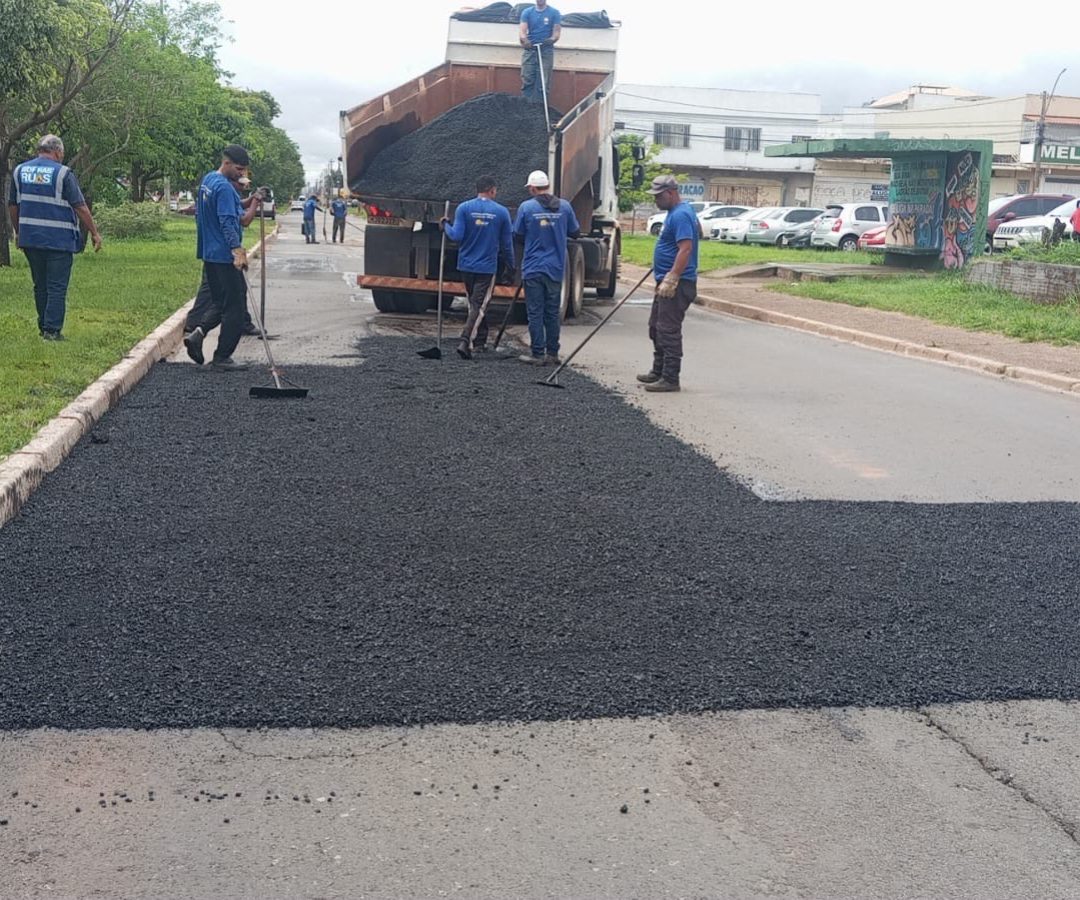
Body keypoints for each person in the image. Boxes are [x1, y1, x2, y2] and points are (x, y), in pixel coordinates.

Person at [7, 134, 102, 340]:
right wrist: (94, 232)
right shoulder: (63, 173)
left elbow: (13, 205)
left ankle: (43, 326)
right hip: (58, 239)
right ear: (57, 152)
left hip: (31, 238)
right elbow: (80, 206)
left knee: (40, 284)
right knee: (56, 286)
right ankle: (52, 330)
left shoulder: (20, 171)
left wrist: (18, 231)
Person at [183, 144, 262, 370]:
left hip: (209, 254)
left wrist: (252, 199)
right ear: (226, 163)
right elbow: (231, 222)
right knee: (235, 307)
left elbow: (229, 209)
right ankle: (222, 357)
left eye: (244, 170)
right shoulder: (226, 189)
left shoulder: (209, 181)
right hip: (225, 256)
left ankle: (197, 335)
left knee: (219, 302)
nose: (242, 175)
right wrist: (237, 250)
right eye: (238, 169)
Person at [441, 175, 514, 359]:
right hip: (487, 268)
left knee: (475, 304)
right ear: (492, 190)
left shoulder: (464, 208)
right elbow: (507, 244)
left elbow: (456, 236)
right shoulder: (502, 212)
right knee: (479, 306)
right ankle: (466, 340)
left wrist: (445, 225)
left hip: (466, 266)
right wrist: (510, 266)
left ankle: (480, 340)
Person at [637, 174, 699, 393]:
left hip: (677, 284)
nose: (655, 200)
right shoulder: (679, 212)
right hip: (665, 279)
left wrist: (672, 276)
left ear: (670, 193)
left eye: (658, 196)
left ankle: (671, 379)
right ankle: (658, 371)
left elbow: (686, 248)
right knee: (656, 327)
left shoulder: (681, 215)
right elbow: (691, 235)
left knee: (668, 330)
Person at [183, 177, 265, 338]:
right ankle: (197, 327)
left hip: (211, 250)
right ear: (233, 182)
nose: (242, 187)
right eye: (241, 184)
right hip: (222, 253)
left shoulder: (214, 185)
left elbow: (239, 205)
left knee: (233, 291)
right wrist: (255, 202)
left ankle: (242, 323)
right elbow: (244, 220)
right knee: (226, 300)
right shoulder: (225, 191)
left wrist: (253, 198)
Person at [512, 170, 579, 365]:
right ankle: (553, 353)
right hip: (555, 268)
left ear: (533, 188)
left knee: (535, 312)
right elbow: (575, 233)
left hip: (533, 267)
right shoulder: (565, 207)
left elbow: (518, 235)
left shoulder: (527, 207)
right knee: (552, 312)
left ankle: (537, 353)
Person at [519, 0, 561, 103]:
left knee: (543, 82)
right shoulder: (527, 12)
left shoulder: (554, 13)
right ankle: (526, 107)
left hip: (546, 50)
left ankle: (540, 108)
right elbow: (522, 31)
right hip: (530, 49)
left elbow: (556, 32)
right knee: (527, 79)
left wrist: (551, 40)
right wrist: (525, 40)